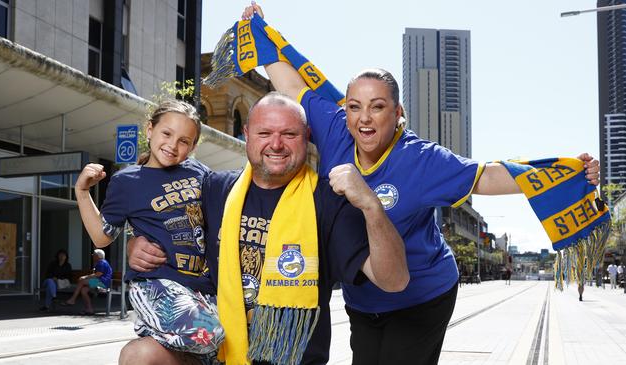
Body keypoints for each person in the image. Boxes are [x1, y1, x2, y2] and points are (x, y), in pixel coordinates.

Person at [242, 4, 601, 364]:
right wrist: (256, 28)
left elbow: (490, 176)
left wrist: (569, 173)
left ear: (397, 113)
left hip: (422, 294)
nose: (364, 118)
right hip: (363, 298)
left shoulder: (424, 159)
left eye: (377, 107)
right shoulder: (334, 127)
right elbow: (290, 83)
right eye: (355, 106)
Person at [121, 92, 409, 365]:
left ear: (306, 138)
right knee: (139, 355)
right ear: (247, 135)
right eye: (264, 133)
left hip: (290, 358)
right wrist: (136, 241)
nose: (276, 144)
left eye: (289, 134)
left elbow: (394, 280)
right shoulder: (214, 188)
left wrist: (372, 207)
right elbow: (155, 208)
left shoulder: (328, 202)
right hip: (216, 353)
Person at [74, 100, 223, 362]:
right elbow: (102, 236)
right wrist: (82, 192)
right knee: (209, 334)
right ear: (150, 130)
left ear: (193, 147)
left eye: (184, 141)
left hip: (202, 286)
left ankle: (163, 339)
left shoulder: (199, 172)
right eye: (167, 134)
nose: (173, 145)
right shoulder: (128, 180)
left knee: (221, 341)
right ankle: (150, 325)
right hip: (158, 283)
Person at [61, 249, 112, 315]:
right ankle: (89, 309)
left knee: (82, 281)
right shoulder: (101, 262)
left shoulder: (102, 262)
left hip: (102, 284)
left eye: (94, 254)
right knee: (83, 290)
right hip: (99, 282)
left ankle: (72, 299)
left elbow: (98, 274)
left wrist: (85, 277)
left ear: (98, 256)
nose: (92, 255)